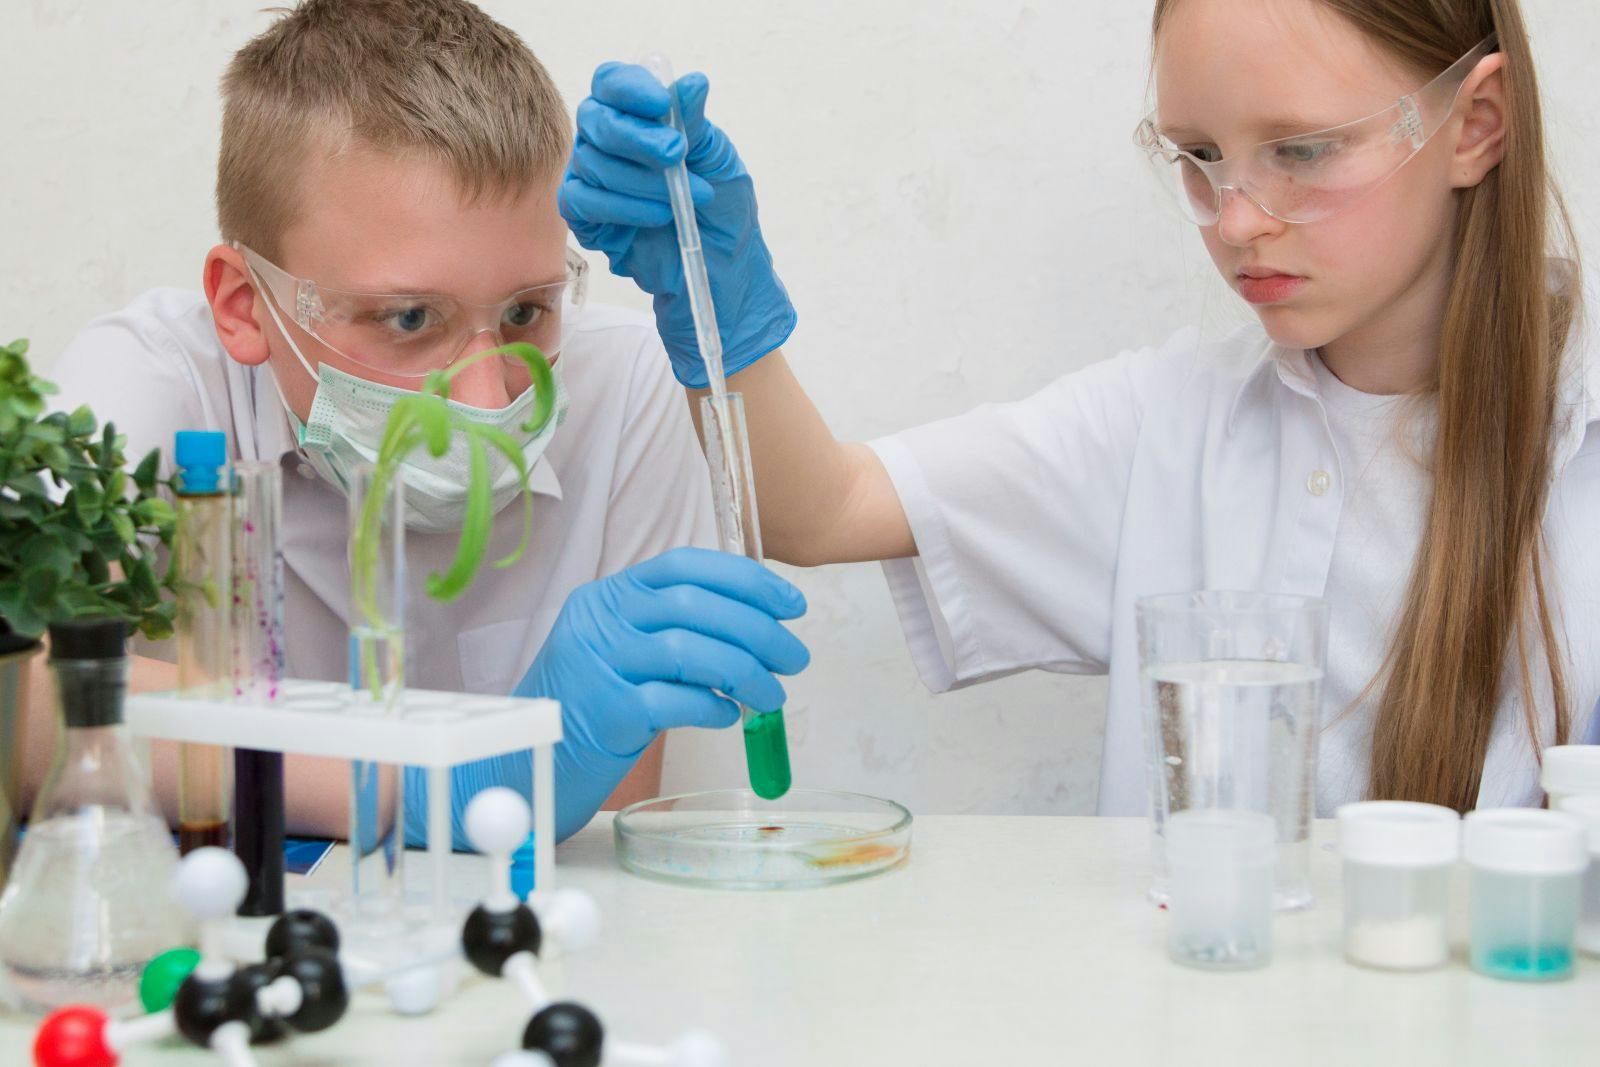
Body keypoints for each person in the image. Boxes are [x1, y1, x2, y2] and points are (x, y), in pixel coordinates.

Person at [562, 0, 1597, 816]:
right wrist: (718, 316)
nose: (1237, 219)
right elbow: (819, 507)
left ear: (1474, 125)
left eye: (1302, 150)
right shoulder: (1167, 422)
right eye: (1198, 155)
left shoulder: (1578, 445)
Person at [34, 0, 809, 846]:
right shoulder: (152, 381)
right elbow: (23, 699)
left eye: (526, 311)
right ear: (244, 303)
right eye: (408, 318)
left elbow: (596, 839)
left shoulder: (626, 389)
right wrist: (442, 779)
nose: (485, 405)